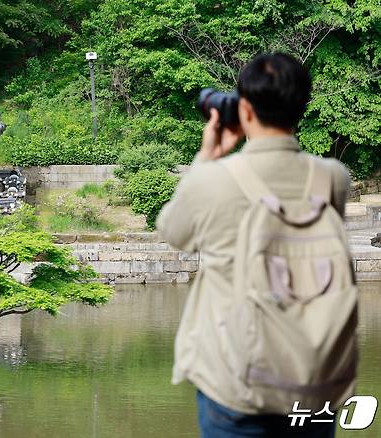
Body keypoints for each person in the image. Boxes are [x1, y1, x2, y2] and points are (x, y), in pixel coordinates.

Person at [156, 53, 354, 437]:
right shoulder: (333, 178)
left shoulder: (212, 181)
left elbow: (173, 231)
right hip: (313, 378)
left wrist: (206, 156)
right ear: (301, 107)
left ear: (244, 108)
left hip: (234, 381)